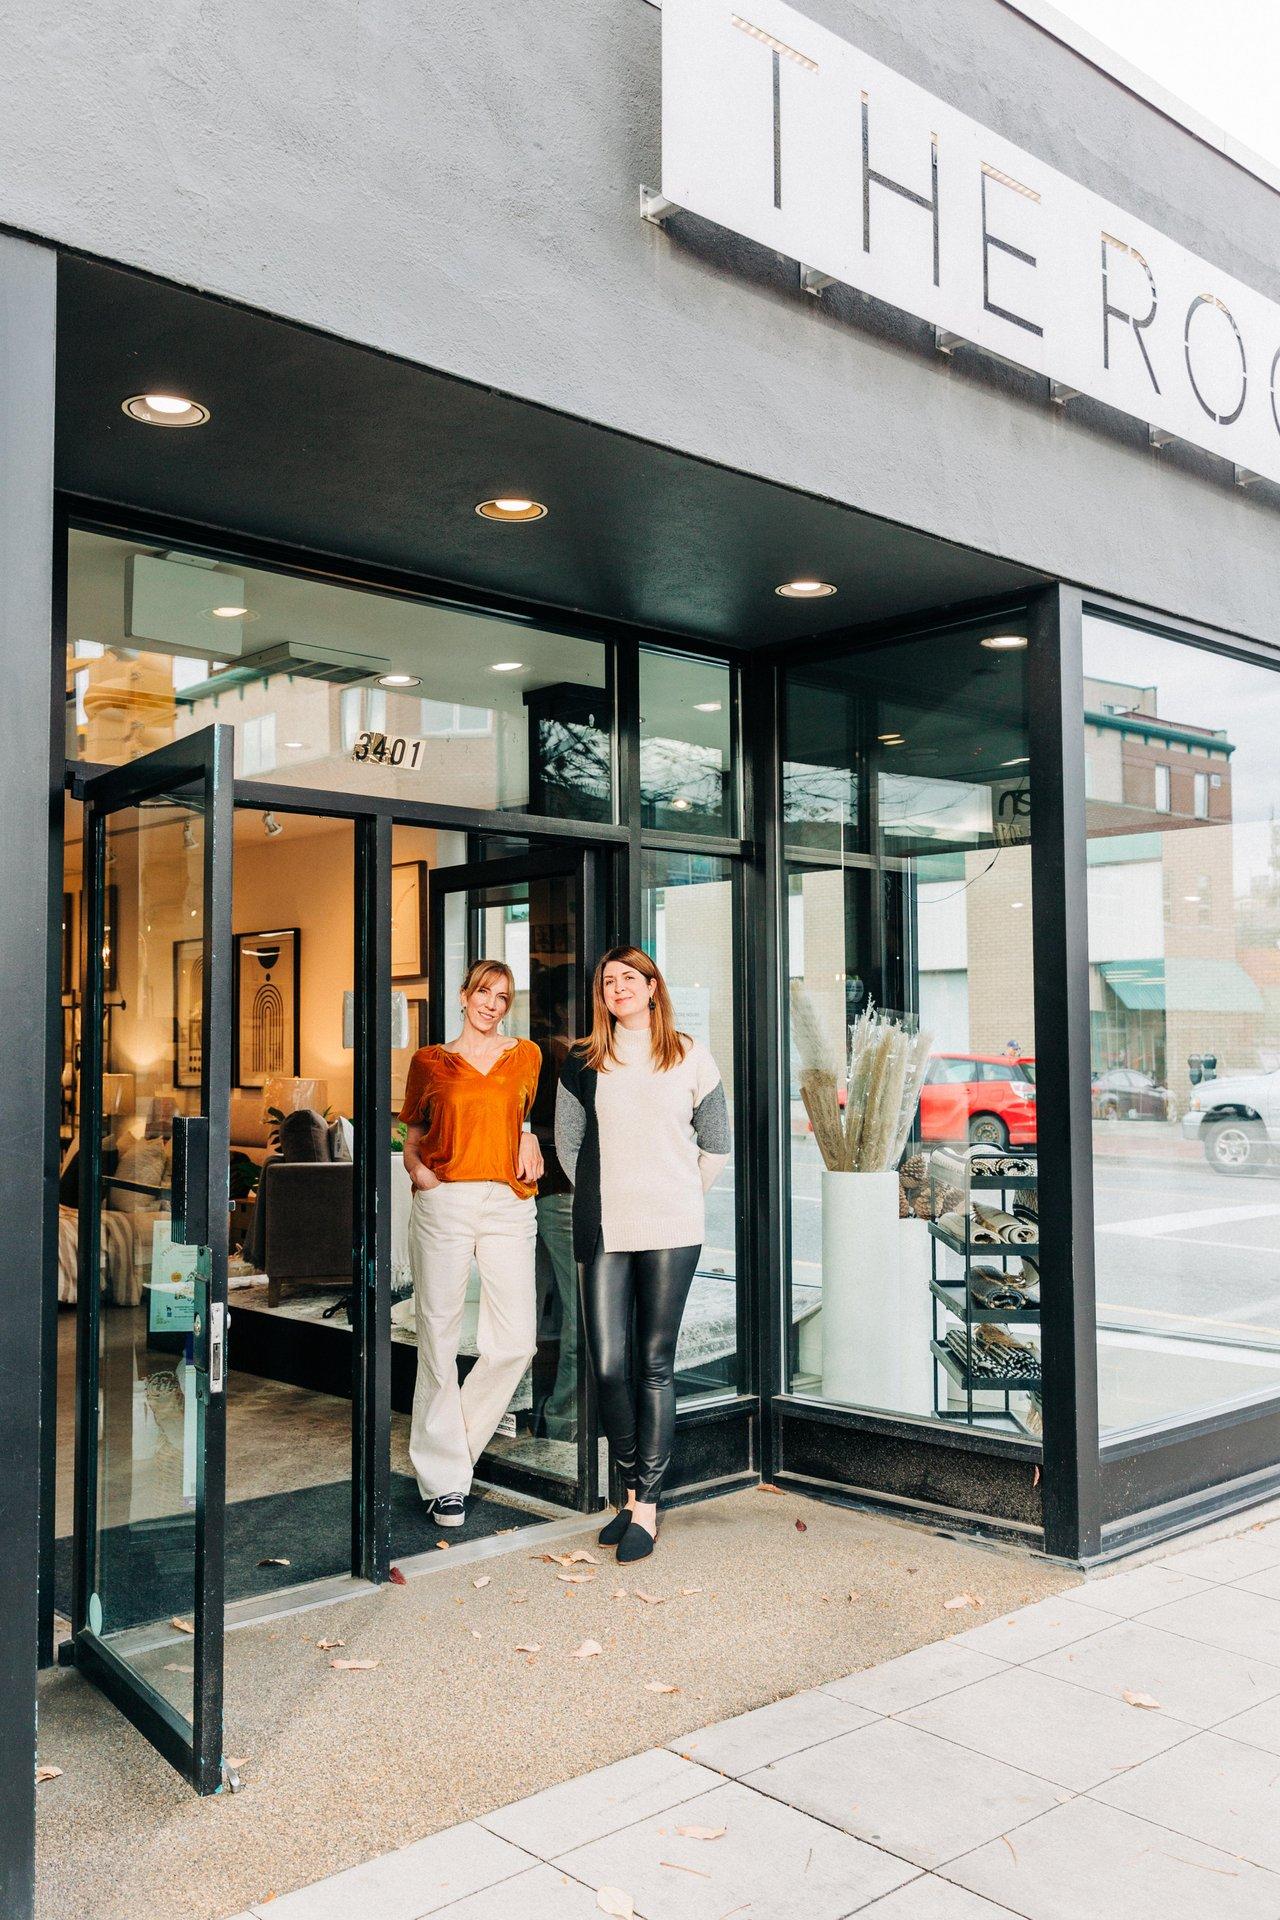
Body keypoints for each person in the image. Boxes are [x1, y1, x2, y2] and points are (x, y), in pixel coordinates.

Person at [555, 946, 729, 1561]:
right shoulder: (583, 1060)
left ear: (653, 987)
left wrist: (676, 1197)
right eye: (608, 980)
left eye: (630, 977)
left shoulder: (689, 1055)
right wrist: (612, 1197)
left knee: (654, 1363)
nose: (618, 987)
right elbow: (569, 1147)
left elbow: (717, 1144)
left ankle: (645, 1505)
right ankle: (631, 1490)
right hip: (606, 1225)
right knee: (608, 1364)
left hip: (673, 1227)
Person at [400, 959, 544, 1526]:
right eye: (483, 992)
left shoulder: (526, 1055)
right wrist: (421, 1173)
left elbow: (521, 1117)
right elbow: (413, 1135)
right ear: (464, 995)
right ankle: (446, 1483)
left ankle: (449, 1455)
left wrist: (531, 1137)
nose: (491, 1004)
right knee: (437, 1336)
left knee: (516, 1342)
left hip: (509, 1202)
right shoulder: (429, 1062)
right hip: (446, 1200)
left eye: (502, 997)